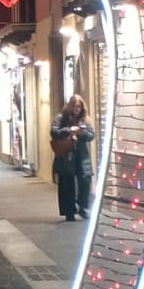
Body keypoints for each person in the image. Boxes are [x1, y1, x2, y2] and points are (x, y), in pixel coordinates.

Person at [51, 94, 96, 222]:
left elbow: (91, 134)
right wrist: (69, 130)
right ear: (70, 106)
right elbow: (54, 132)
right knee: (67, 183)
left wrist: (83, 133)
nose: (77, 109)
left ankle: (82, 207)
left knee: (85, 181)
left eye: (79, 107)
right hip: (66, 155)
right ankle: (69, 211)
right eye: (75, 106)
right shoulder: (61, 118)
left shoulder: (85, 120)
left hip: (81, 155)